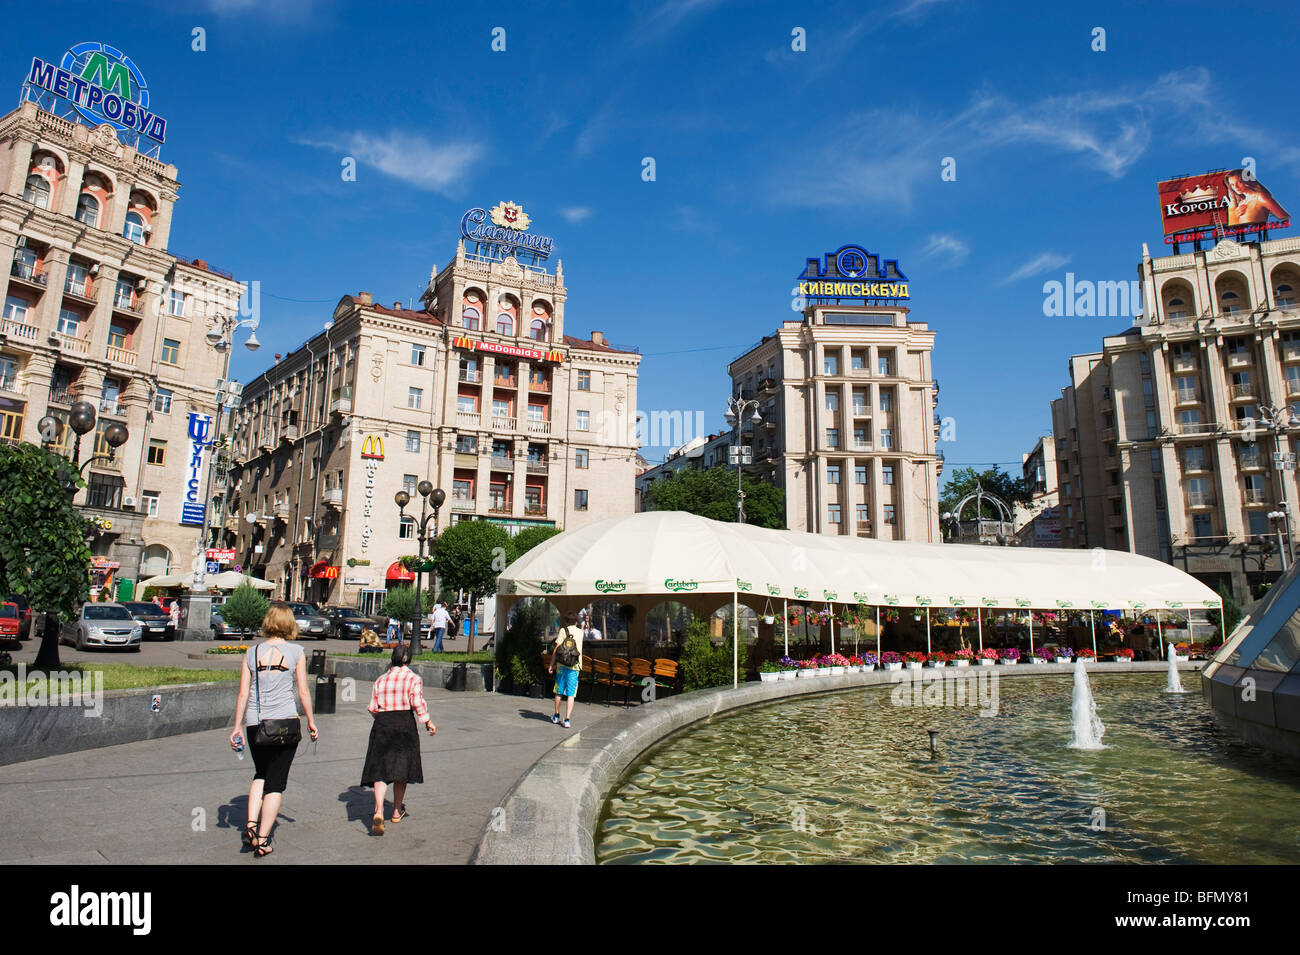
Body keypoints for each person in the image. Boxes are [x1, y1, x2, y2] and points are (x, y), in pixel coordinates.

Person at [229, 603, 318, 857]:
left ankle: (250, 824)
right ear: (290, 623)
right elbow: (302, 691)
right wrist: (311, 720)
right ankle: (263, 838)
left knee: (260, 773)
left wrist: (237, 726)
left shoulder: (251, 652)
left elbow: (243, 693)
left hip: (256, 723)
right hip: (285, 723)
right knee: (276, 783)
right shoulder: (296, 652)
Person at [362, 643, 436, 835]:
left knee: (380, 769)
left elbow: (372, 707)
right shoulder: (413, 678)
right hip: (404, 724)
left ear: (392, 658)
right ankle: (396, 811)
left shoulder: (381, 679)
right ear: (409, 659)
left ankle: (378, 810)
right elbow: (417, 702)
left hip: (383, 724)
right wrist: (427, 722)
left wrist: (382, 719)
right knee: (401, 768)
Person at [548, 610, 584, 729]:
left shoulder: (563, 631)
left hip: (562, 666)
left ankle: (557, 715)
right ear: (576, 621)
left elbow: (557, 649)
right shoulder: (580, 632)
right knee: (571, 694)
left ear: (566, 621)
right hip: (575, 666)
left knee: (558, 691)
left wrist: (551, 664)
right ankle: (567, 719)